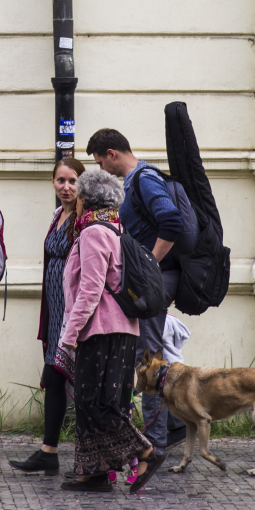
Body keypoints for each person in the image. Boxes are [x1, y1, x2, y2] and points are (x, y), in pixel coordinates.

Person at [55, 168, 162, 493]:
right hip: (119, 330)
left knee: (96, 404)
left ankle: (145, 450)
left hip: (102, 330)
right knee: (101, 403)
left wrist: (68, 335)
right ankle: (94, 472)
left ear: (85, 199)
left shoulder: (93, 233)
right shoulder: (114, 228)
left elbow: (90, 289)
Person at [86, 128, 185, 451]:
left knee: (149, 359)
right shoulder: (134, 181)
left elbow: (171, 221)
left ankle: (154, 443)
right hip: (152, 279)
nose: (102, 169)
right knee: (154, 353)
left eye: (101, 162)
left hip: (156, 279)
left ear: (112, 154)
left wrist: (150, 267)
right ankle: (174, 426)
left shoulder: (144, 179)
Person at [12, 157, 82, 474]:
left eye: (72, 181)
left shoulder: (83, 218)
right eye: (60, 180)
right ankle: (49, 452)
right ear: (52, 182)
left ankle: (79, 451)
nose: (65, 187)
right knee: (54, 378)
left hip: (74, 315)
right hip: (55, 313)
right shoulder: (58, 215)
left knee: (66, 379)